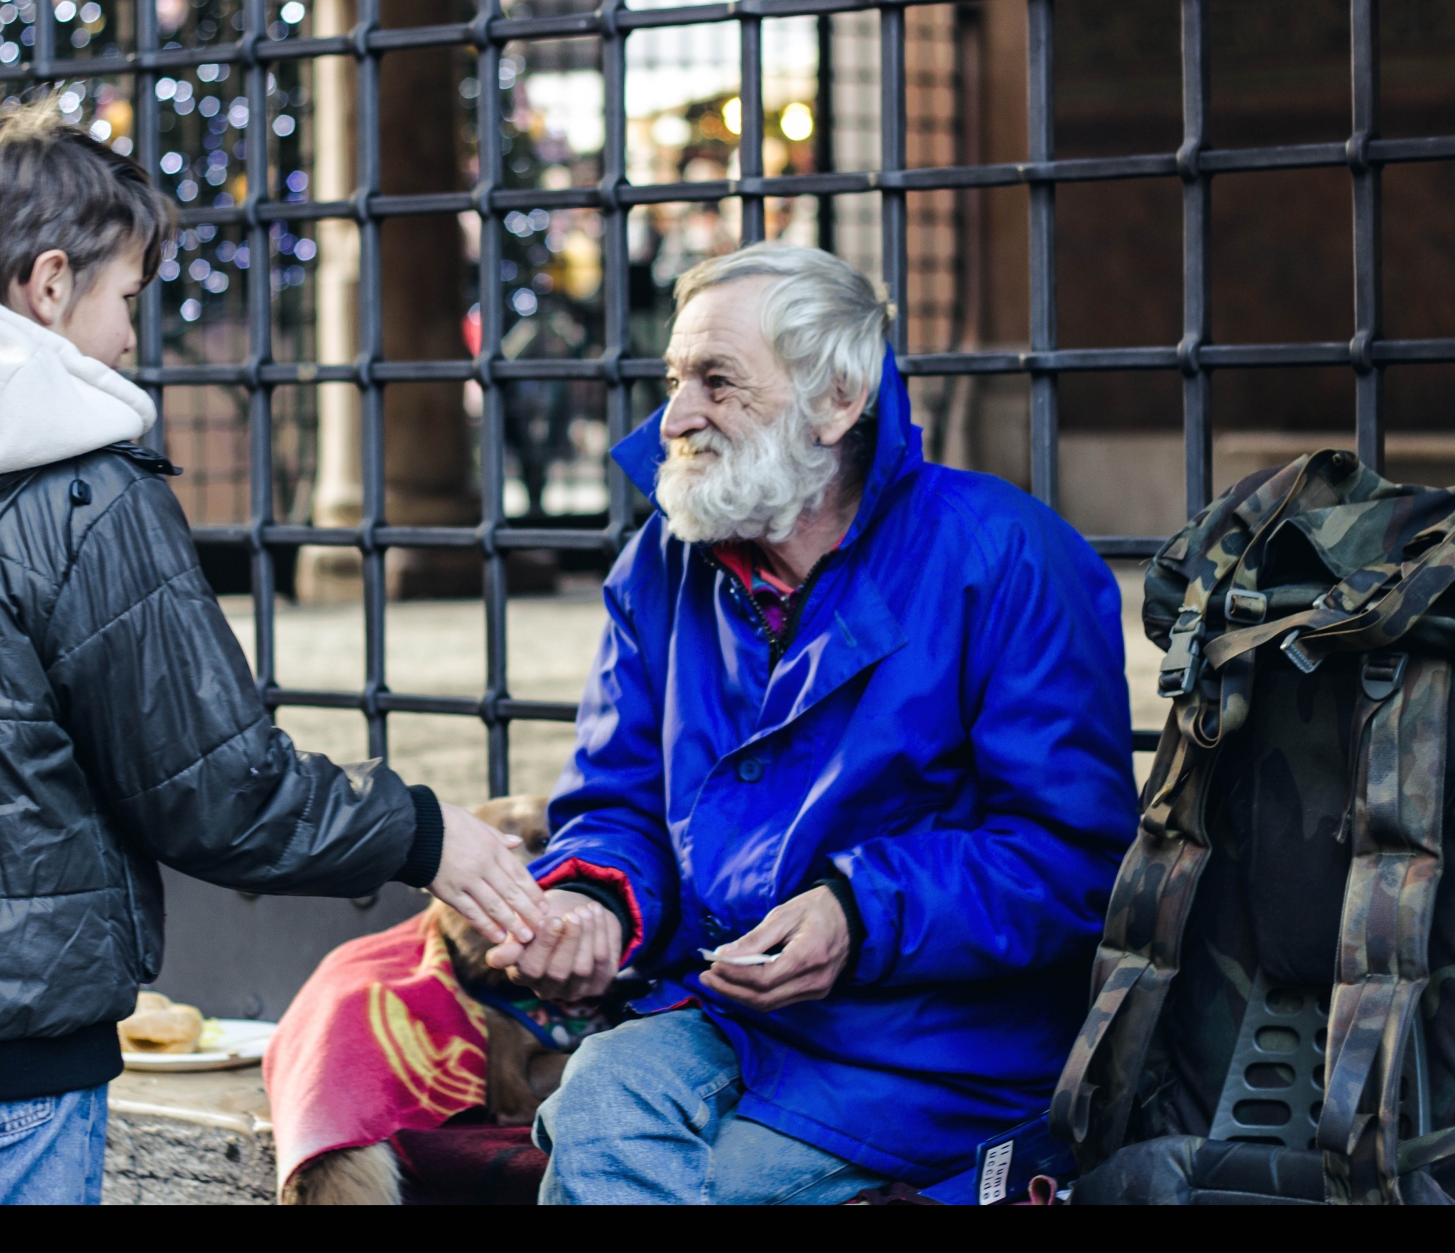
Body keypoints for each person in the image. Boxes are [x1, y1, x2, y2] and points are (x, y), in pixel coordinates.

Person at [0, 97, 543, 1206]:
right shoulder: (87, 496)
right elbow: (216, 793)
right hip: (13, 1050)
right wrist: (422, 832)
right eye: (124, 298)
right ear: (46, 283)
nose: (130, 337)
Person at [487, 243, 1138, 1204]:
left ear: (837, 400)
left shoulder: (1006, 555)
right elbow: (616, 802)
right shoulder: (662, 563)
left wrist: (859, 911)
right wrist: (597, 906)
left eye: (718, 381)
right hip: (728, 1014)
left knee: (723, 1183)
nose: (673, 417)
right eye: (675, 379)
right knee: (597, 1106)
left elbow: (1073, 858)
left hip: (941, 1047)